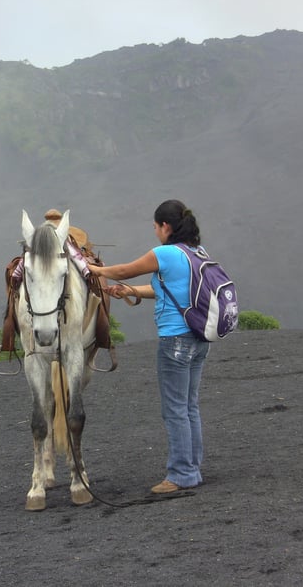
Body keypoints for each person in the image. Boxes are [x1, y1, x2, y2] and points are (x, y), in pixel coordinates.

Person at [88, 200, 210, 494]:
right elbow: (164, 289)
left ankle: (181, 474)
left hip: (175, 340)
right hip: (197, 338)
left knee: (175, 410)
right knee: (189, 406)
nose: (155, 232)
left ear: (165, 227)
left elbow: (126, 270)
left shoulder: (165, 253)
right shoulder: (196, 253)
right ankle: (192, 468)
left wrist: (89, 268)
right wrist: (129, 292)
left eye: (156, 227)